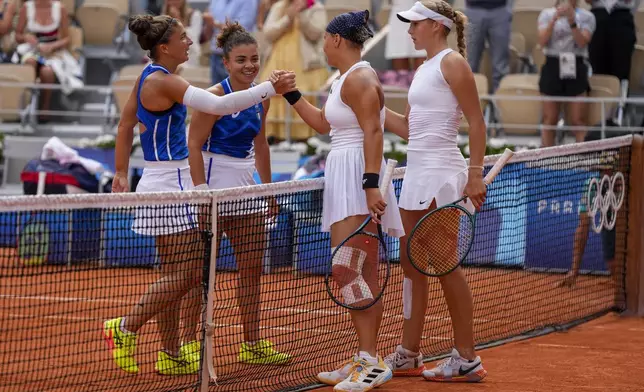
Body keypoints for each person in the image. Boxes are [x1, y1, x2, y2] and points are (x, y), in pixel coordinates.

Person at [102, 14, 295, 376]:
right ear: (164, 46)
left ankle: (171, 352)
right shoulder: (168, 81)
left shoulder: (150, 76)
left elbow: (126, 122)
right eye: (183, 38)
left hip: (163, 182)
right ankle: (127, 327)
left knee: (179, 272)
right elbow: (218, 108)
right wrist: (271, 86)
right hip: (173, 183)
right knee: (189, 273)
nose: (190, 42)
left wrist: (120, 172)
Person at [280, 9, 404, 392]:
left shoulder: (361, 77)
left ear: (335, 40)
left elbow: (373, 131)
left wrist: (370, 186)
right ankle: (366, 358)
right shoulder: (344, 79)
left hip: (357, 177)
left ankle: (371, 361)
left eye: (324, 39)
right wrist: (291, 94)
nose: (322, 45)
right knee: (361, 272)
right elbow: (323, 124)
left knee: (346, 270)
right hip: (346, 172)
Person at [380, 0, 488, 383]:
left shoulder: (452, 64)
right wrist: (374, 109)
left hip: (442, 174)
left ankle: (467, 357)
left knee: (446, 266)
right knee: (411, 265)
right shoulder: (424, 69)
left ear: (438, 26)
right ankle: (409, 353)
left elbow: (477, 123)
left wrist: (475, 174)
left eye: (415, 24)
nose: (409, 30)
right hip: (416, 173)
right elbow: (411, 130)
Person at [187, 21, 291, 366]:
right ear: (227, 63)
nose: (249, 66)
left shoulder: (261, 98)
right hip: (212, 190)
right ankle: (188, 344)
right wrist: (201, 194)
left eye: (254, 59)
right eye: (241, 60)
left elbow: (260, 145)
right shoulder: (213, 97)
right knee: (199, 273)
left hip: (246, 190)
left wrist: (268, 189)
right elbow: (194, 144)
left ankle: (252, 343)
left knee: (251, 270)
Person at [537, 0, 595, 147]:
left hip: (576, 63)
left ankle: (583, 159)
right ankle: (546, 160)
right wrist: (554, 19)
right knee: (549, 119)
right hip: (553, 63)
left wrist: (572, 20)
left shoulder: (587, 16)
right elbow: (542, 41)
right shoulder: (546, 14)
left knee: (578, 120)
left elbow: (582, 42)